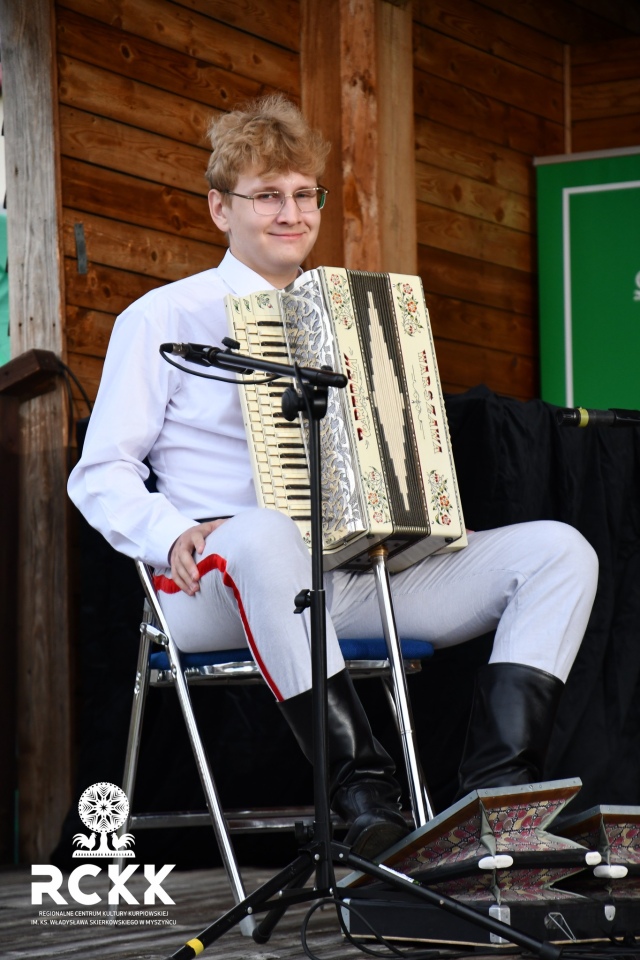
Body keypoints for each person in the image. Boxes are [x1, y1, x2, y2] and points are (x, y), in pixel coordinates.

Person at [68, 94, 599, 858]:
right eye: (267, 197)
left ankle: (498, 800)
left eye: (303, 195)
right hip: (210, 585)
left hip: (350, 579)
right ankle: (364, 795)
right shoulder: (162, 317)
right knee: (264, 533)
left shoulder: (348, 318)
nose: (291, 213)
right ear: (220, 208)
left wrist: (425, 522)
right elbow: (100, 471)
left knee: (558, 551)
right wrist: (172, 530)